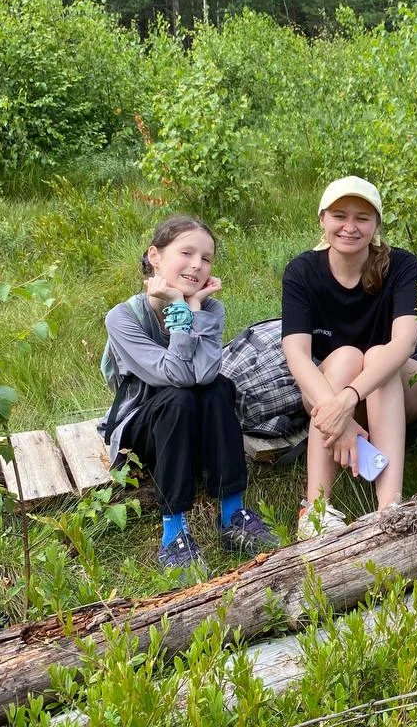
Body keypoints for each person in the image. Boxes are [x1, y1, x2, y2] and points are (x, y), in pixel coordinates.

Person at [101, 215, 278, 573]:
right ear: (155, 256)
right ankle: (174, 533)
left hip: (189, 423)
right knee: (180, 396)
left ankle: (233, 515)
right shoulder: (123, 318)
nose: (197, 265)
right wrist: (182, 312)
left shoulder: (211, 307)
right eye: (187, 253)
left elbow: (206, 373)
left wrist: (195, 309)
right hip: (140, 429)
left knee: (217, 387)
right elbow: (175, 376)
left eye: (207, 258)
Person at [281, 177, 417, 537]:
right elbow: (297, 354)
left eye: (362, 218)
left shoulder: (403, 266)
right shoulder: (302, 271)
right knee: (348, 355)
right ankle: (316, 509)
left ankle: (390, 508)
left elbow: (404, 343)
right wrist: (339, 413)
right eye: (339, 215)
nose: (350, 227)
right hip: (329, 388)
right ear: (322, 220)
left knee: (379, 357)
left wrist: (348, 400)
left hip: (403, 384)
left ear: (377, 225)